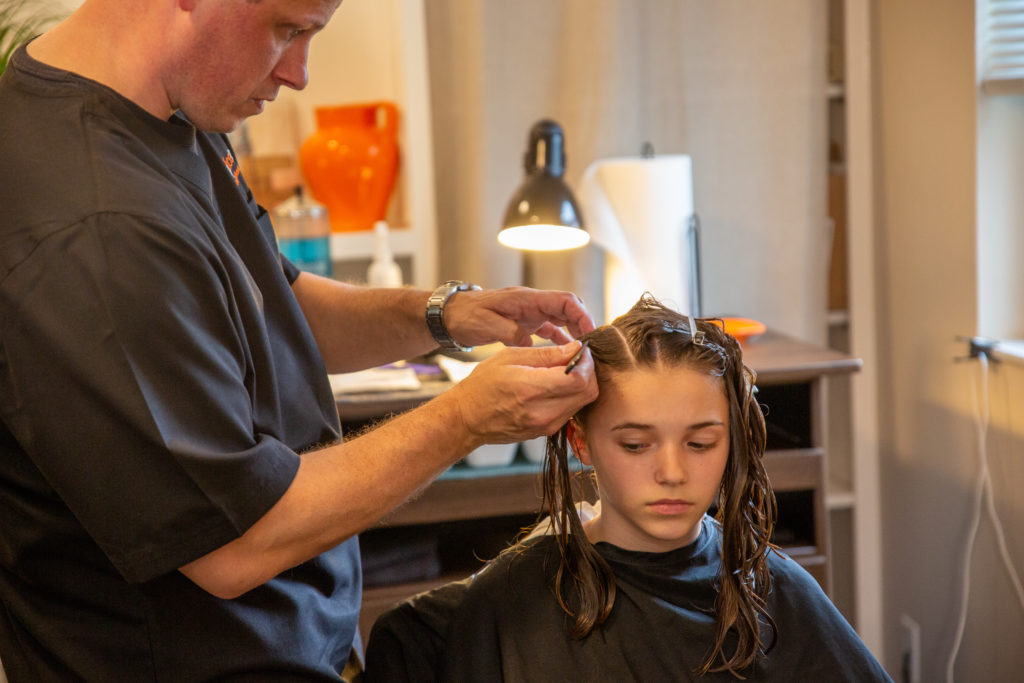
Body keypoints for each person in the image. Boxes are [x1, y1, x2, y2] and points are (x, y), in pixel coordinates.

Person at [0, 0, 599, 680]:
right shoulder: (95, 224)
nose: (300, 72)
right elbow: (236, 542)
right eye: (288, 29)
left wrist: (445, 316)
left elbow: (271, 301)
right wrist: (467, 417)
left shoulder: (175, 110)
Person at [364, 295, 893, 682]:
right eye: (636, 445)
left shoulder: (771, 587)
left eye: (701, 444)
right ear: (582, 441)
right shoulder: (509, 600)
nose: (671, 472)